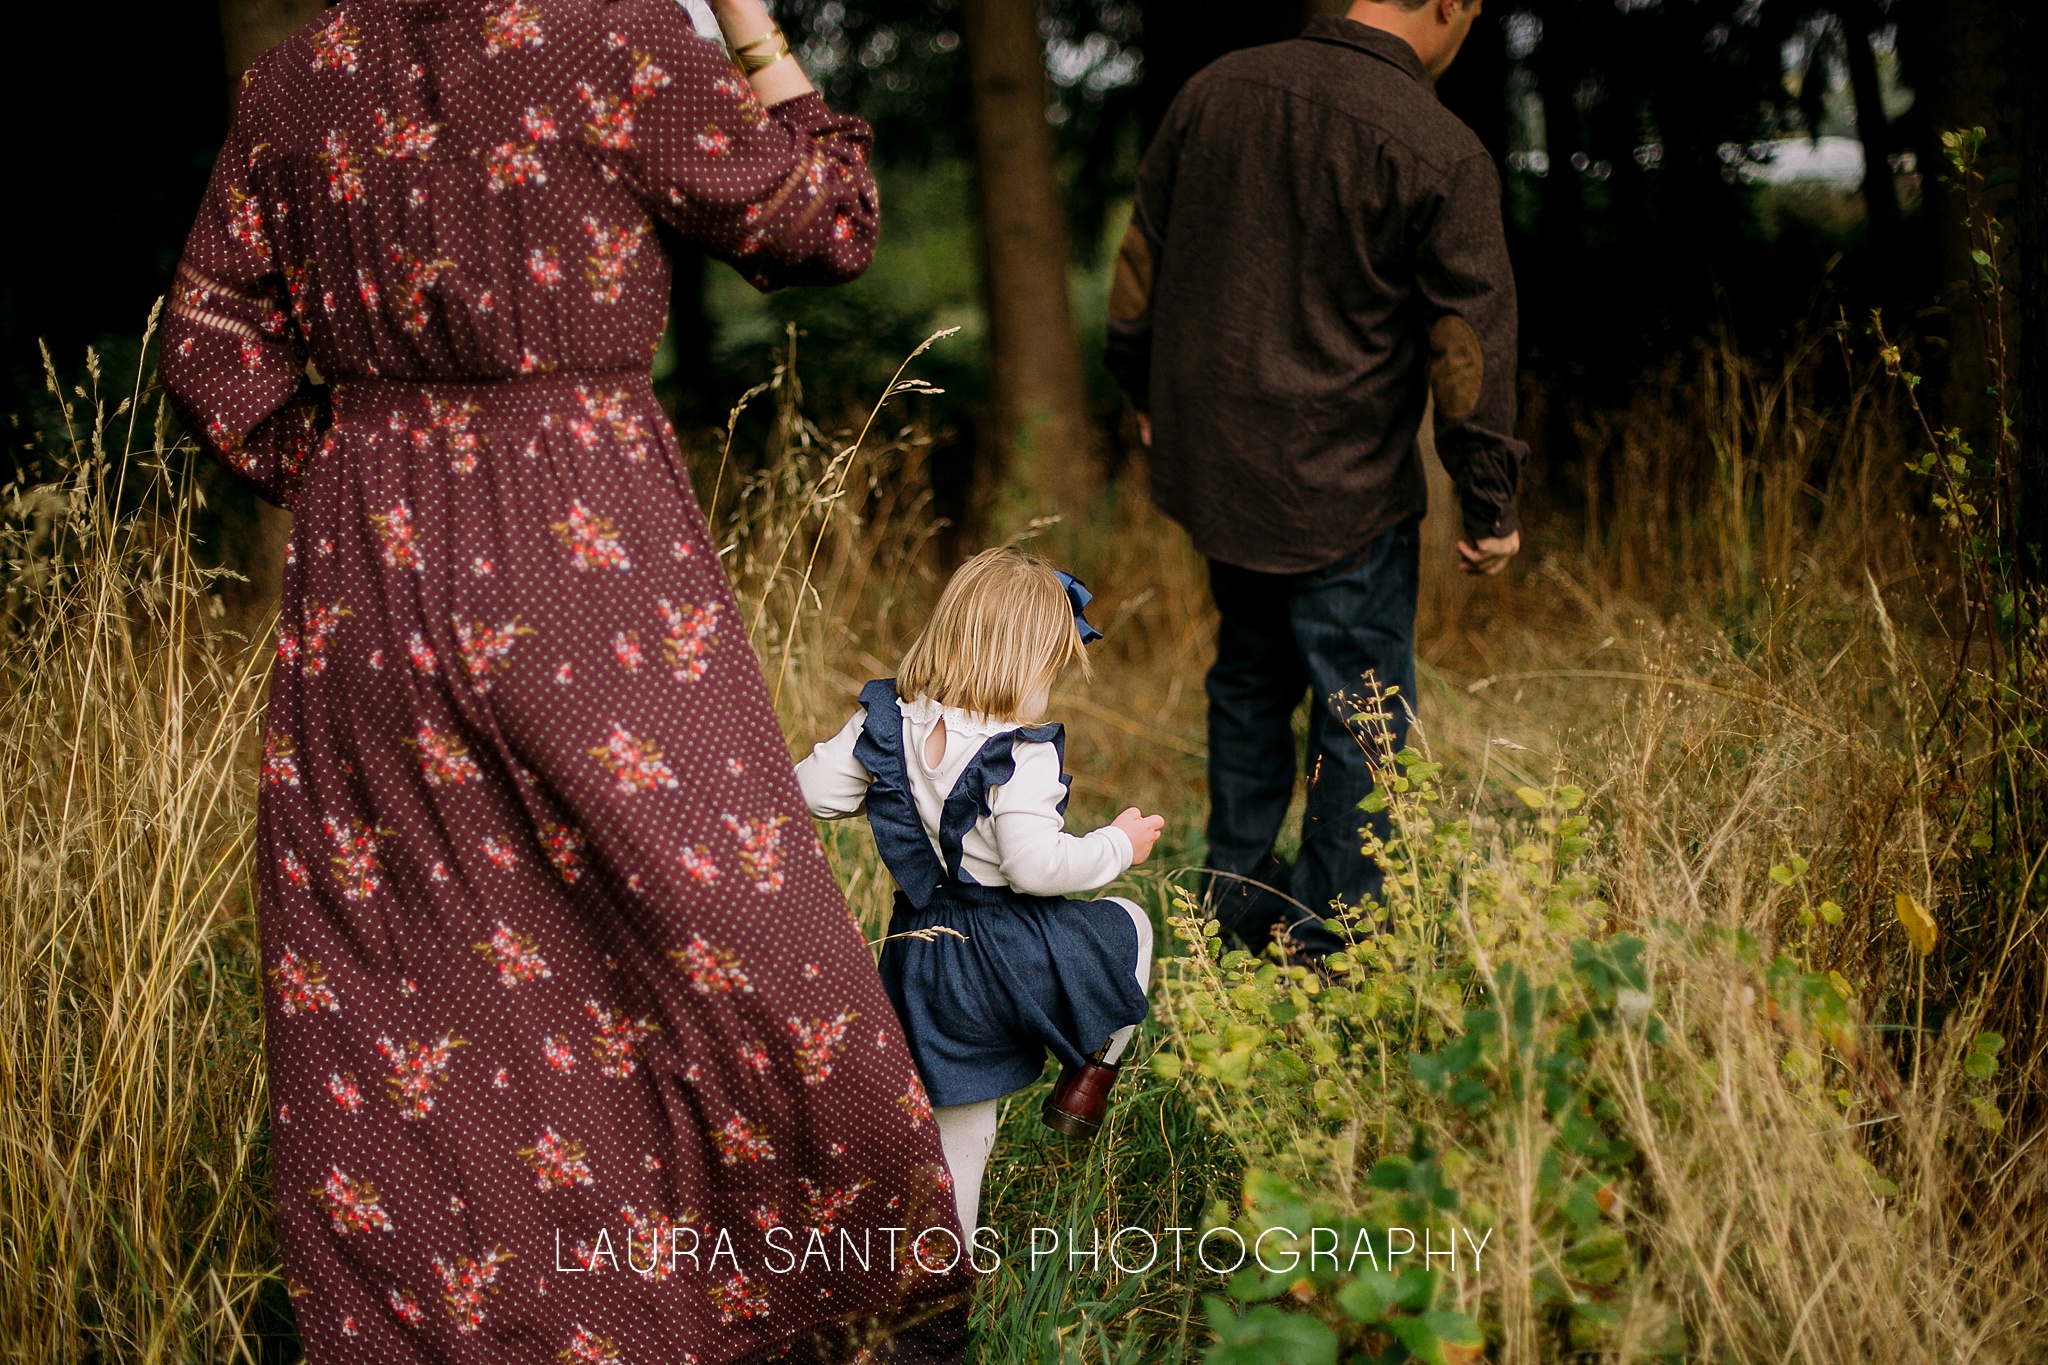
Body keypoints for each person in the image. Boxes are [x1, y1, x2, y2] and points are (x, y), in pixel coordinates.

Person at [161, 1, 971, 1359]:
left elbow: (205, 343)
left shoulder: (298, 77)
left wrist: (353, 475)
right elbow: (824, 223)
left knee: (413, 973)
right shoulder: (614, 39)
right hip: (580, 545)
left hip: (365, 563)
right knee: (728, 909)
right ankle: (851, 1283)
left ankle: (501, 1324)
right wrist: (762, 36)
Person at [1104, 0, 1526, 961]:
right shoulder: (1437, 145)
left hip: (1223, 477)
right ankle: (1332, 952)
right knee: (1362, 716)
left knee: (1248, 685)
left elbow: (1141, 264)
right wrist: (1489, 494)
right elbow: (1466, 341)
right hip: (1347, 493)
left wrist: (1141, 382)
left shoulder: (1213, 94)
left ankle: (1231, 916)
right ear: (1448, 5)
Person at [793, 548, 1164, 1235]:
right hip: (1002, 949)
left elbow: (811, 793)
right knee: (1131, 926)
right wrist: (1117, 844)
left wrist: (869, 762)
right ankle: (1094, 1066)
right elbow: (1035, 867)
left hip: (919, 958)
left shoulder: (885, 721)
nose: (1050, 686)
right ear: (1020, 663)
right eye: (1049, 669)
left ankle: (941, 1266)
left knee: (958, 1133)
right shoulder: (1018, 754)